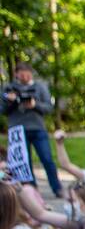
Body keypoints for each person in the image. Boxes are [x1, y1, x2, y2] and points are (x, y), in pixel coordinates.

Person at [3, 62, 61, 197]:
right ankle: (31, 190)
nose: (24, 76)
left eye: (26, 73)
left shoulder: (40, 87)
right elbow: (3, 110)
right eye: (21, 73)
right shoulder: (9, 88)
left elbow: (49, 108)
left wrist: (34, 105)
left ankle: (57, 188)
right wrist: (13, 101)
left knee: (47, 158)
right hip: (17, 130)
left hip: (37, 128)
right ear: (16, 74)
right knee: (25, 163)